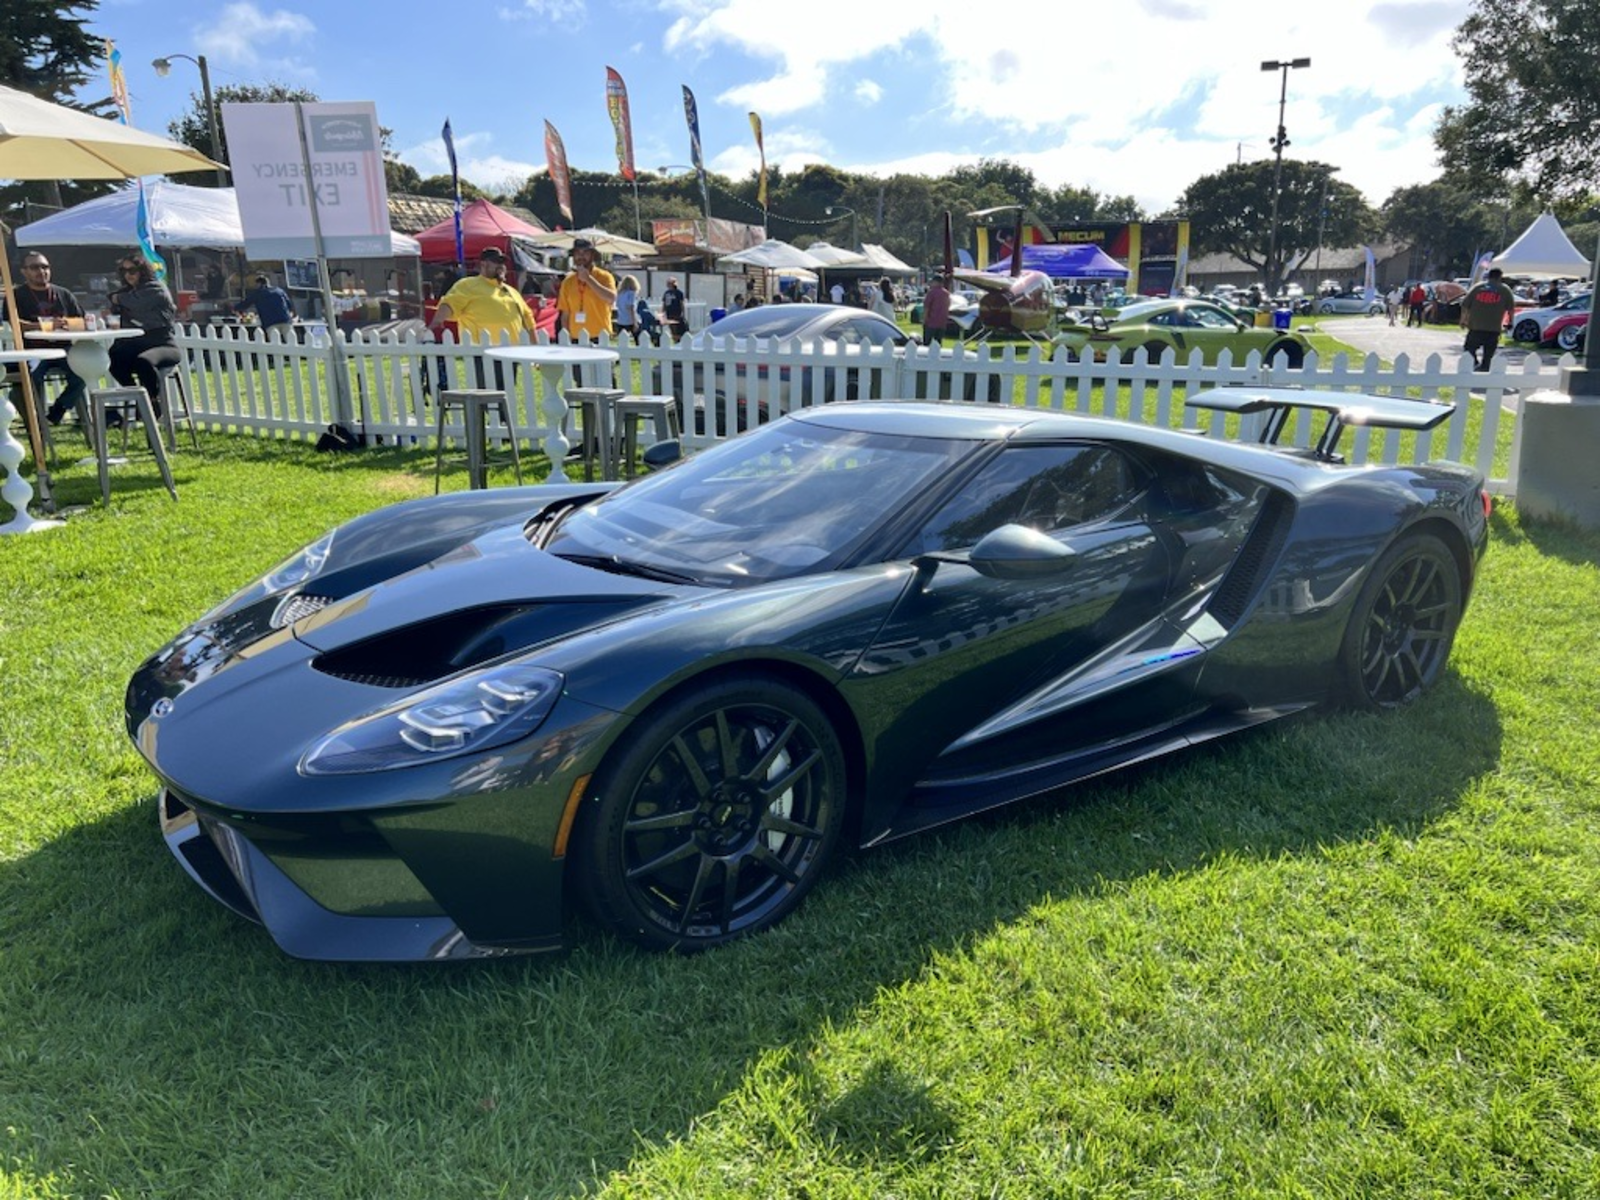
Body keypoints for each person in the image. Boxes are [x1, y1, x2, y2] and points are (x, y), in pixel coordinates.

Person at [430, 246, 535, 389]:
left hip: (509, 353)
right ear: (483, 264)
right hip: (481, 353)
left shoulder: (511, 291)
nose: (501, 266)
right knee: (484, 398)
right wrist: (436, 323)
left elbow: (528, 319)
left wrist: (536, 346)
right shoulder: (468, 285)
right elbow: (450, 303)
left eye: (502, 263)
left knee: (506, 397)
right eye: (496, 262)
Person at [1, 250, 86, 424]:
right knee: (29, 379)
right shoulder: (16, 296)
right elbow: (15, 323)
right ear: (24, 271)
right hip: (34, 350)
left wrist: (67, 323)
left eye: (45, 266)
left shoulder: (63, 294)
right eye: (34, 267)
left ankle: (58, 411)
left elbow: (81, 321)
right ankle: (34, 421)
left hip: (64, 350)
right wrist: (45, 326)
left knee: (84, 372)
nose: (41, 271)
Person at [108, 255, 179, 417]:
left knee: (144, 362)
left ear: (142, 271)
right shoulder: (128, 291)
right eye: (124, 271)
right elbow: (115, 300)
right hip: (138, 342)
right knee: (114, 357)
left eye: (132, 270)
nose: (128, 275)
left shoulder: (155, 288)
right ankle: (139, 397)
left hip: (163, 343)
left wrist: (117, 298)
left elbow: (136, 301)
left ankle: (153, 401)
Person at [556, 238, 617, 342]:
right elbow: (565, 314)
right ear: (573, 256)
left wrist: (588, 279)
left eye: (585, 252)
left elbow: (611, 298)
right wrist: (566, 337)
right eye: (578, 253)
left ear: (592, 255)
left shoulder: (605, 277)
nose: (581, 256)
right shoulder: (568, 281)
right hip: (575, 338)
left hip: (600, 336)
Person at [1459, 267, 1517, 373]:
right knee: (1488, 354)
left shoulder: (1477, 288)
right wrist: (1510, 322)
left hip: (1476, 326)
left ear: (1489, 276)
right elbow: (1511, 309)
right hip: (1493, 328)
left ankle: (1475, 364)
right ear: (1500, 277)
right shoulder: (1504, 290)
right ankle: (1484, 370)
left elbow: (1465, 305)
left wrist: (1463, 320)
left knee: (1469, 348)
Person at [234, 274, 295, 338]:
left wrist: (235, 308)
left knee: (275, 343)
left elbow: (245, 304)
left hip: (270, 322)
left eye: (256, 285)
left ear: (259, 284)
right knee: (290, 341)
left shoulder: (258, 294)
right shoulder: (279, 291)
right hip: (285, 320)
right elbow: (289, 305)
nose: (255, 286)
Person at [922, 275, 952, 345]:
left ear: (936, 282)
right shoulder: (946, 293)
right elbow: (948, 305)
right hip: (942, 322)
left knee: (927, 343)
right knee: (938, 343)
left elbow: (927, 307)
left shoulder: (931, 293)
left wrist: (924, 319)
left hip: (931, 322)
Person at [660, 275, 686, 340]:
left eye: (669, 283)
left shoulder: (679, 293)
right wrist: (662, 313)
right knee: (672, 328)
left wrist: (682, 312)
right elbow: (664, 304)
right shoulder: (666, 293)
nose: (668, 285)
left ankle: (678, 340)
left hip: (677, 313)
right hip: (669, 313)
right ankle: (674, 339)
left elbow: (681, 303)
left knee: (678, 328)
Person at [614, 273, 641, 338]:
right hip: (629, 321)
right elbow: (631, 307)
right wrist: (635, 322)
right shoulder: (631, 293)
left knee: (621, 339)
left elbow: (617, 306)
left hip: (620, 320)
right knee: (638, 339)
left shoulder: (620, 294)